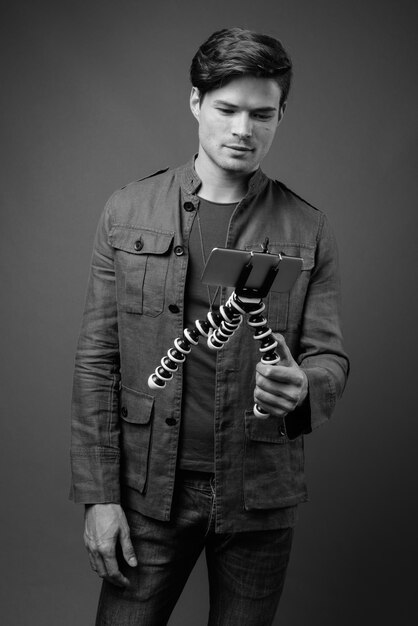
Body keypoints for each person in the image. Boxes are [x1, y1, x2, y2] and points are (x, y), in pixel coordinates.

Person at [70, 27, 349, 625]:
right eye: (226, 109)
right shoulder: (127, 210)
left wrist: (306, 387)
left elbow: (329, 358)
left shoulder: (310, 228)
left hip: (260, 492)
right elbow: (97, 359)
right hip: (149, 492)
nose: (242, 130)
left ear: (280, 116)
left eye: (261, 114)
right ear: (196, 102)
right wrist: (100, 495)